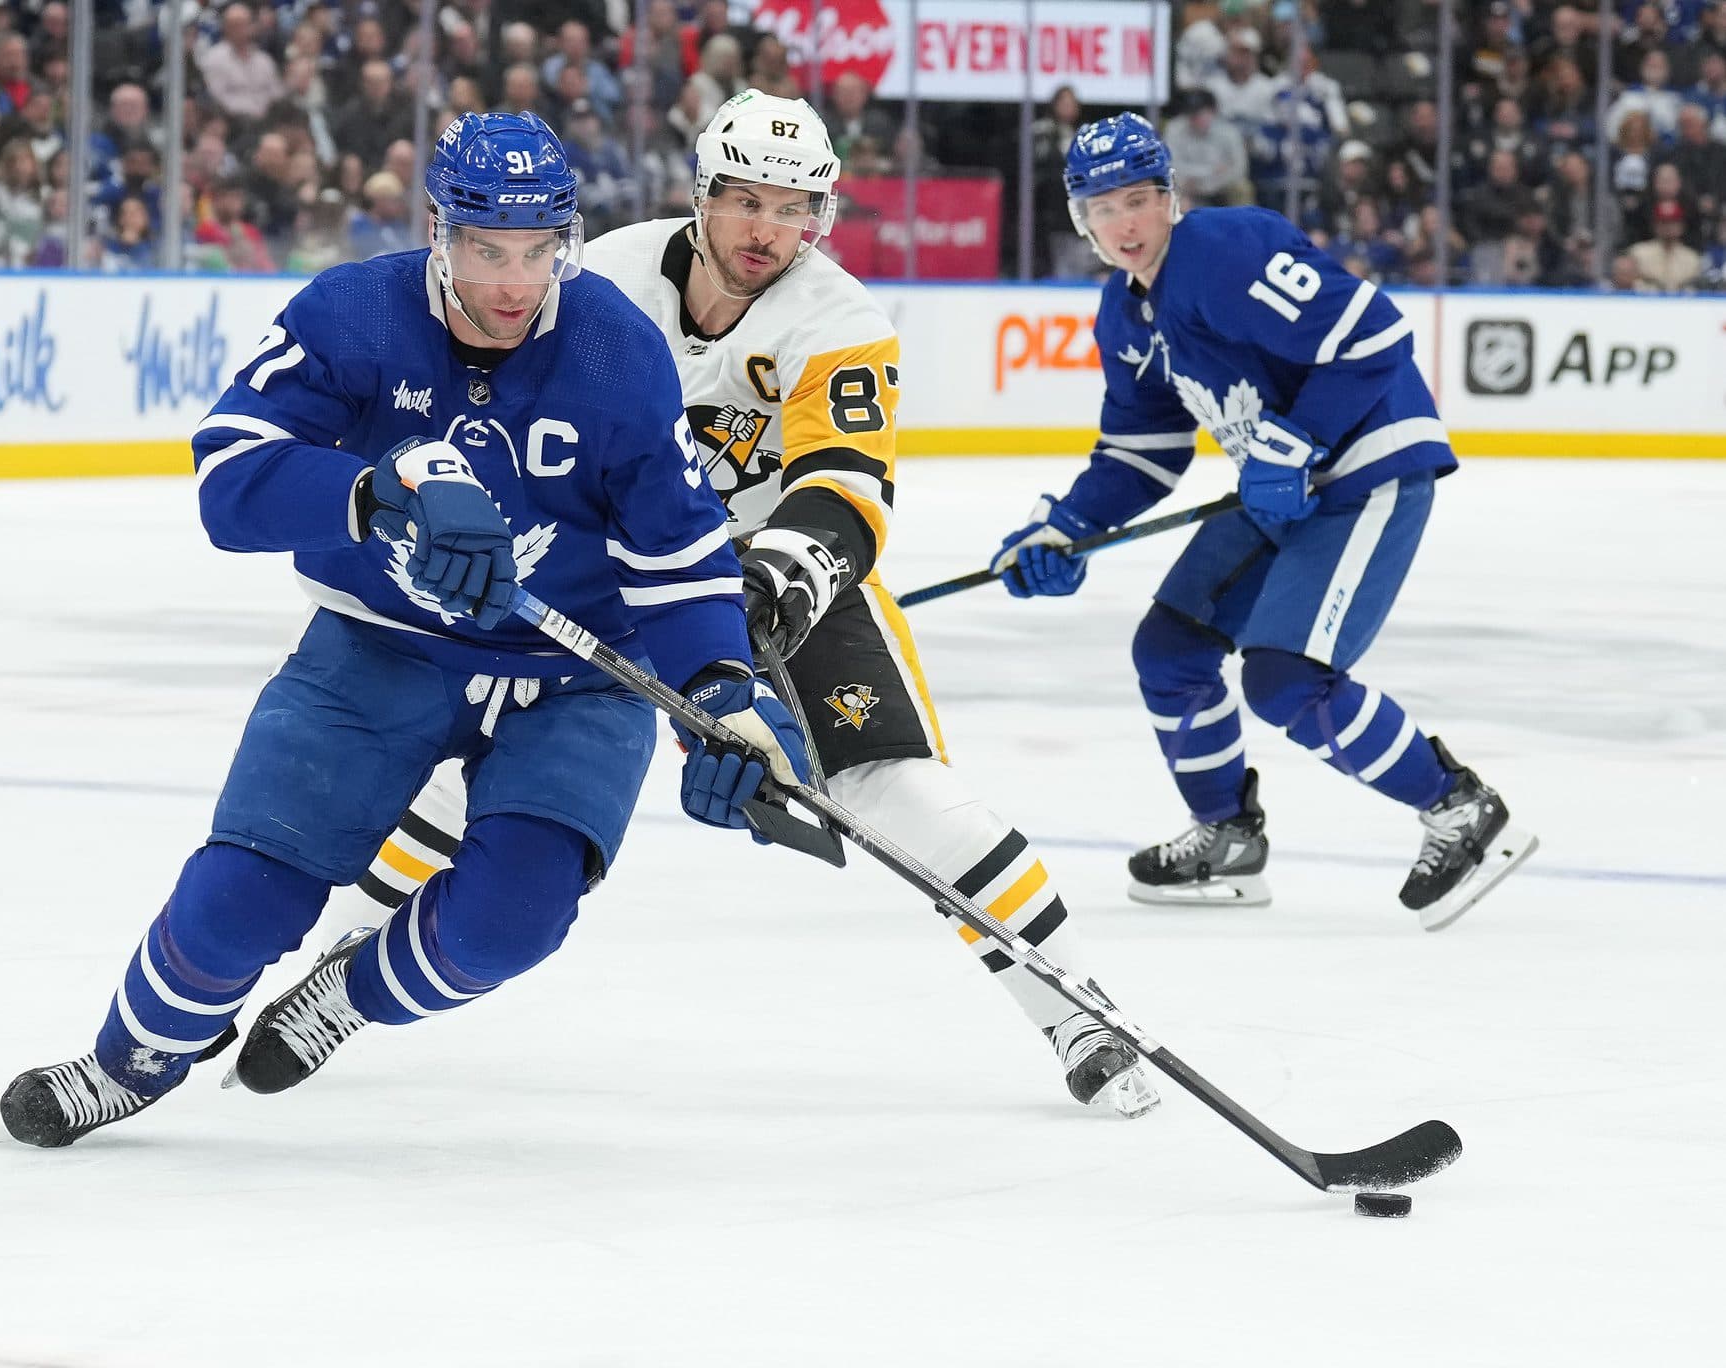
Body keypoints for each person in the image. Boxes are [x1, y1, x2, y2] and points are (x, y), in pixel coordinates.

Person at [0, 112, 809, 1148]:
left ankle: (350, 994)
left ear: (564, 238)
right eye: (485, 251)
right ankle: (130, 1061)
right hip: (378, 645)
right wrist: (373, 494)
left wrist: (719, 694)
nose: (513, 283)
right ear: (438, 230)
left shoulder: (614, 351)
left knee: (510, 920)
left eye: (536, 252)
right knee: (238, 902)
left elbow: (680, 553)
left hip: (578, 678)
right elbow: (226, 476)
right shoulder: (355, 314)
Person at [358, 91, 1162, 1118]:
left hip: (773, 573)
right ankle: (349, 947)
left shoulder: (839, 322)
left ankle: (1073, 1010)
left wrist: (772, 583)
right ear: (702, 195)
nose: (767, 233)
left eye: (795, 210)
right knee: (469, 759)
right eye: (745, 201)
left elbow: (843, 487)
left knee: (898, 791)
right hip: (603, 560)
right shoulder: (600, 274)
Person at [989, 115, 1536, 932]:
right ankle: (1228, 837)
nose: (1123, 224)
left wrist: (1295, 442)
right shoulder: (1124, 313)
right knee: (1169, 651)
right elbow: (1141, 453)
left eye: (1137, 200)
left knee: (1285, 678)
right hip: (1280, 485)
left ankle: (1462, 810)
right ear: (1080, 220)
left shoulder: (1222, 250)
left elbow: (1373, 333)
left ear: (1170, 198)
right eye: (1101, 209)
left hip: (1364, 468)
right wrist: (1061, 526)